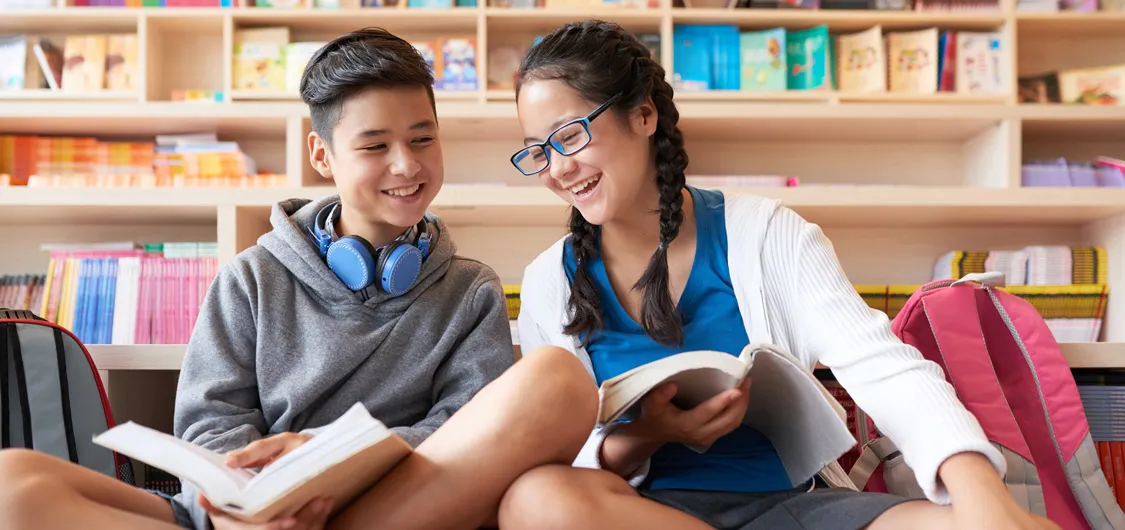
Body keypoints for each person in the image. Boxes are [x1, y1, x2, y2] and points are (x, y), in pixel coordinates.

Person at [0, 27, 598, 530]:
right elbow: (208, 421)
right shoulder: (250, 277)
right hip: (245, 516)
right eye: (375, 145)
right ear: (321, 155)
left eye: (423, 139)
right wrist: (252, 492)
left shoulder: (470, 290)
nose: (406, 164)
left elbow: (466, 430)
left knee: (553, 383)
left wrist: (342, 463)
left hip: (394, 506)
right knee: (13, 483)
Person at [500, 19, 1061, 530]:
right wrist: (650, 435)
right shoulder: (550, 280)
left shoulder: (767, 234)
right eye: (536, 153)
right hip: (644, 516)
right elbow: (570, 459)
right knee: (534, 499)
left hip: (796, 509)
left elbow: (886, 370)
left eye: (569, 136)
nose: (557, 168)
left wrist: (984, 496)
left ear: (643, 115)